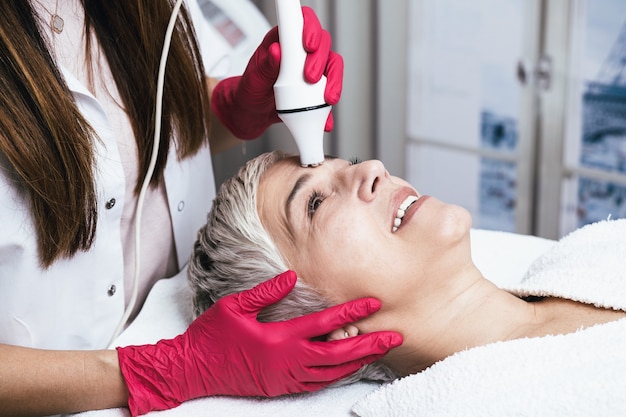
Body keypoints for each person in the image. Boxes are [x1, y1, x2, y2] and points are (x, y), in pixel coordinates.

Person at [0, 2, 401, 416]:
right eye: (312, 204)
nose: (374, 169)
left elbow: (143, 117)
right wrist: (168, 369)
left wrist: (229, 109)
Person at [188, 150, 626, 383]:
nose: (375, 168)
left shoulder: (598, 248)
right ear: (317, 330)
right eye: (315, 204)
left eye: (353, 161)